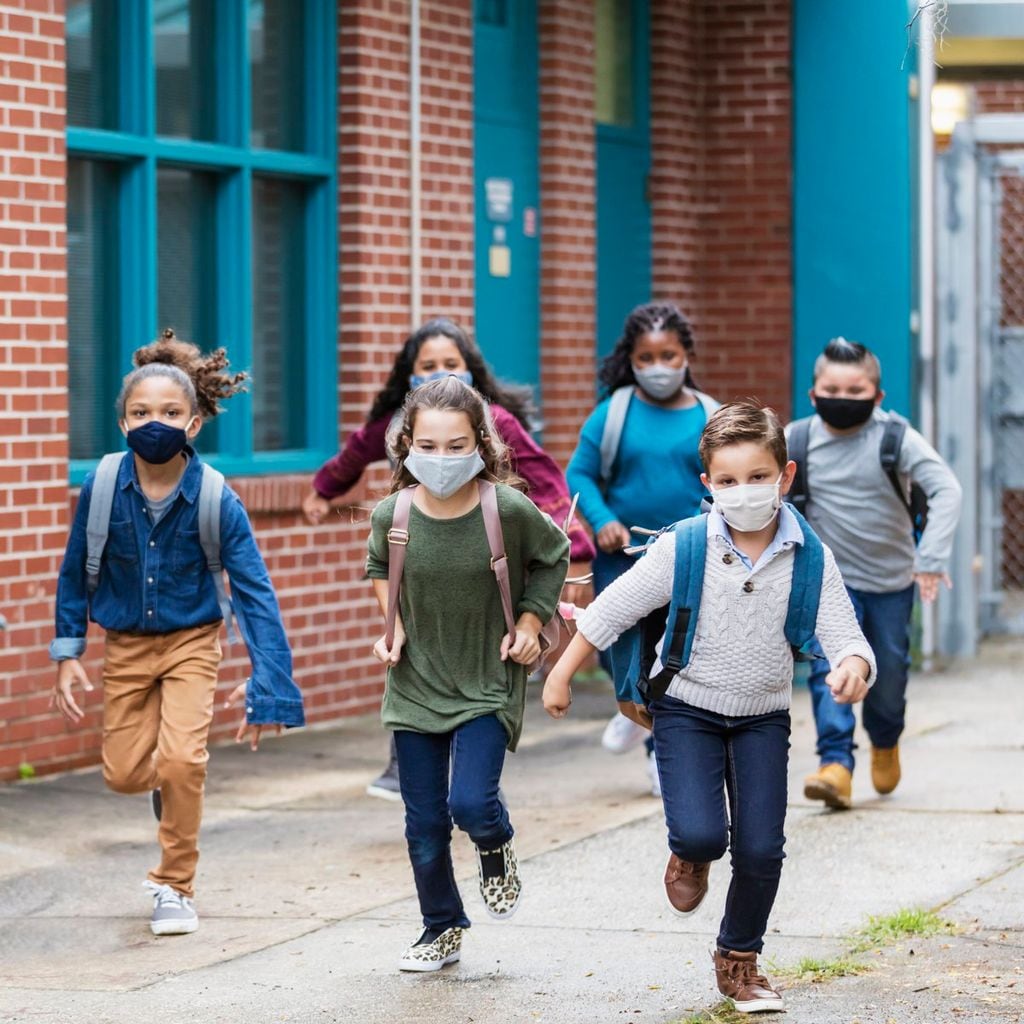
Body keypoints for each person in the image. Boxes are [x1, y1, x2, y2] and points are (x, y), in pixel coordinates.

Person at [543, 402, 876, 1014]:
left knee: (761, 848)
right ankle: (690, 851)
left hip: (763, 716)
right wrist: (561, 674)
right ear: (708, 485)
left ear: (786, 476)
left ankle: (739, 958)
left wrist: (854, 666)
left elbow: (846, 635)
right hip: (686, 711)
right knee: (702, 831)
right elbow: (613, 608)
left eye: (758, 478)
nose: (744, 492)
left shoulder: (810, 556)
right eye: (727, 481)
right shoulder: (687, 546)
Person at [49, 331, 304, 937]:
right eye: (141, 413)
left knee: (184, 758)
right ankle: (167, 790)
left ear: (193, 424)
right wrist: (67, 652)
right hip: (128, 645)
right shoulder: (104, 487)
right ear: (121, 423)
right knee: (124, 773)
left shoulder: (217, 499)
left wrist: (270, 687)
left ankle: (174, 885)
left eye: (168, 413)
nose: (153, 423)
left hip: (193, 641)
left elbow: (255, 596)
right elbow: (72, 570)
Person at [304, 317, 593, 800]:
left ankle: (476, 789)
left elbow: (546, 480)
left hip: (481, 565)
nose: (442, 373)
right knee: (417, 657)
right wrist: (323, 489)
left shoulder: (495, 421)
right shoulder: (401, 423)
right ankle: (410, 766)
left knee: (472, 780)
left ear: (472, 369)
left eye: (451, 364)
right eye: (428, 365)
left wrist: (575, 551)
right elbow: (356, 449)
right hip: (420, 562)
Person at [366, 374, 569, 972]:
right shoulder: (392, 512)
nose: (442, 458)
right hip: (414, 684)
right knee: (423, 822)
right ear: (406, 446)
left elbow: (552, 555)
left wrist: (531, 626)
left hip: (486, 679)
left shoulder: (502, 508)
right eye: (428, 446)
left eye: (457, 446)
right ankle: (441, 927)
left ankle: (495, 841)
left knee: (471, 804)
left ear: (481, 443)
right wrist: (392, 623)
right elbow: (380, 565)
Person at [788, 338, 962, 809]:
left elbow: (947, 490)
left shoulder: (895, 438)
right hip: (827, 585)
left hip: (890, 582)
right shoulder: (796, 441)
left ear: (878, 397)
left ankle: (885, 739)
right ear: (813, 393)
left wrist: (929, 559)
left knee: (887, 678)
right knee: (829, 668)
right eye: (832, 388)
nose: (842, 397)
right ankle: (836, 765)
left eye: (855, 389)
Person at [565, 302, 718, 795]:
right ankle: (628, 700)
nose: (658, 367)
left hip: (689, 557)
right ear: (630, 359)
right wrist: (603, 521)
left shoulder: (709, 414)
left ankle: (659, 753)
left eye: (668, 355)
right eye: (646, 356)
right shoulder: (614, 413)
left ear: (686, 355)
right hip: (624, 556)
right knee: (616, 648)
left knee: (671, 655)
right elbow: (579, 473)